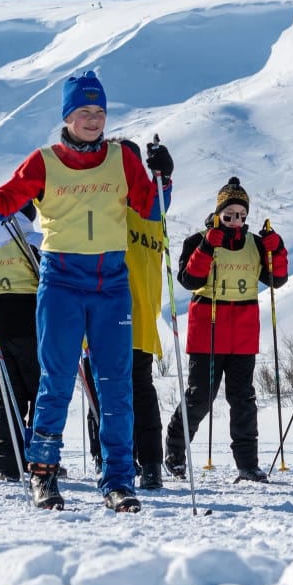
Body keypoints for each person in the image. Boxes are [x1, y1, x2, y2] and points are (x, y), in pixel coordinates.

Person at [0, 70, 162, 512]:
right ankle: (43, 475)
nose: (93, 119)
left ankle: (119, 479)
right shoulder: (43, 161)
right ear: (67, 116)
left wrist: (163, 176)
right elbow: (2, 205)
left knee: (115, 385)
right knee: (56, 381)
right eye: (84, 111)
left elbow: (153, 208)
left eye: (100, 111)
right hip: (63, 281)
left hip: (111, 285)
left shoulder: (123, 158)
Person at [163, 176, 288, 482]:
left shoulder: (256, 244)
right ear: (218, 213)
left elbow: (276, 279)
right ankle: (175, 451)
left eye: (242, 216)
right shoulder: (199, 240)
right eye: (230, 215)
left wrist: (278, 250)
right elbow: (189, 280)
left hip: (243, 335)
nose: (236, 222)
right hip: (208, 331)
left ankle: (248, 464)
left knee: (243, 400)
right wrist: (207, 246)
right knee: (200, 398)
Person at [84, 137, 174, 490]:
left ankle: (150, 462)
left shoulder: (149, 210)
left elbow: (163, 197)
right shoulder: (103, 205)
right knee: (104, 392)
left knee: (137, 391)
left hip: (136, 318)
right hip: (101, 317)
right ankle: (106, 457)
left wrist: (163, 175)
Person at [0, 204, 42, 482]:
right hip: (29, 319)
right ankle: (40, 458)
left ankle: (7, 461)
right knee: (40, 392)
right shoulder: (34, 241)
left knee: (5, 394)